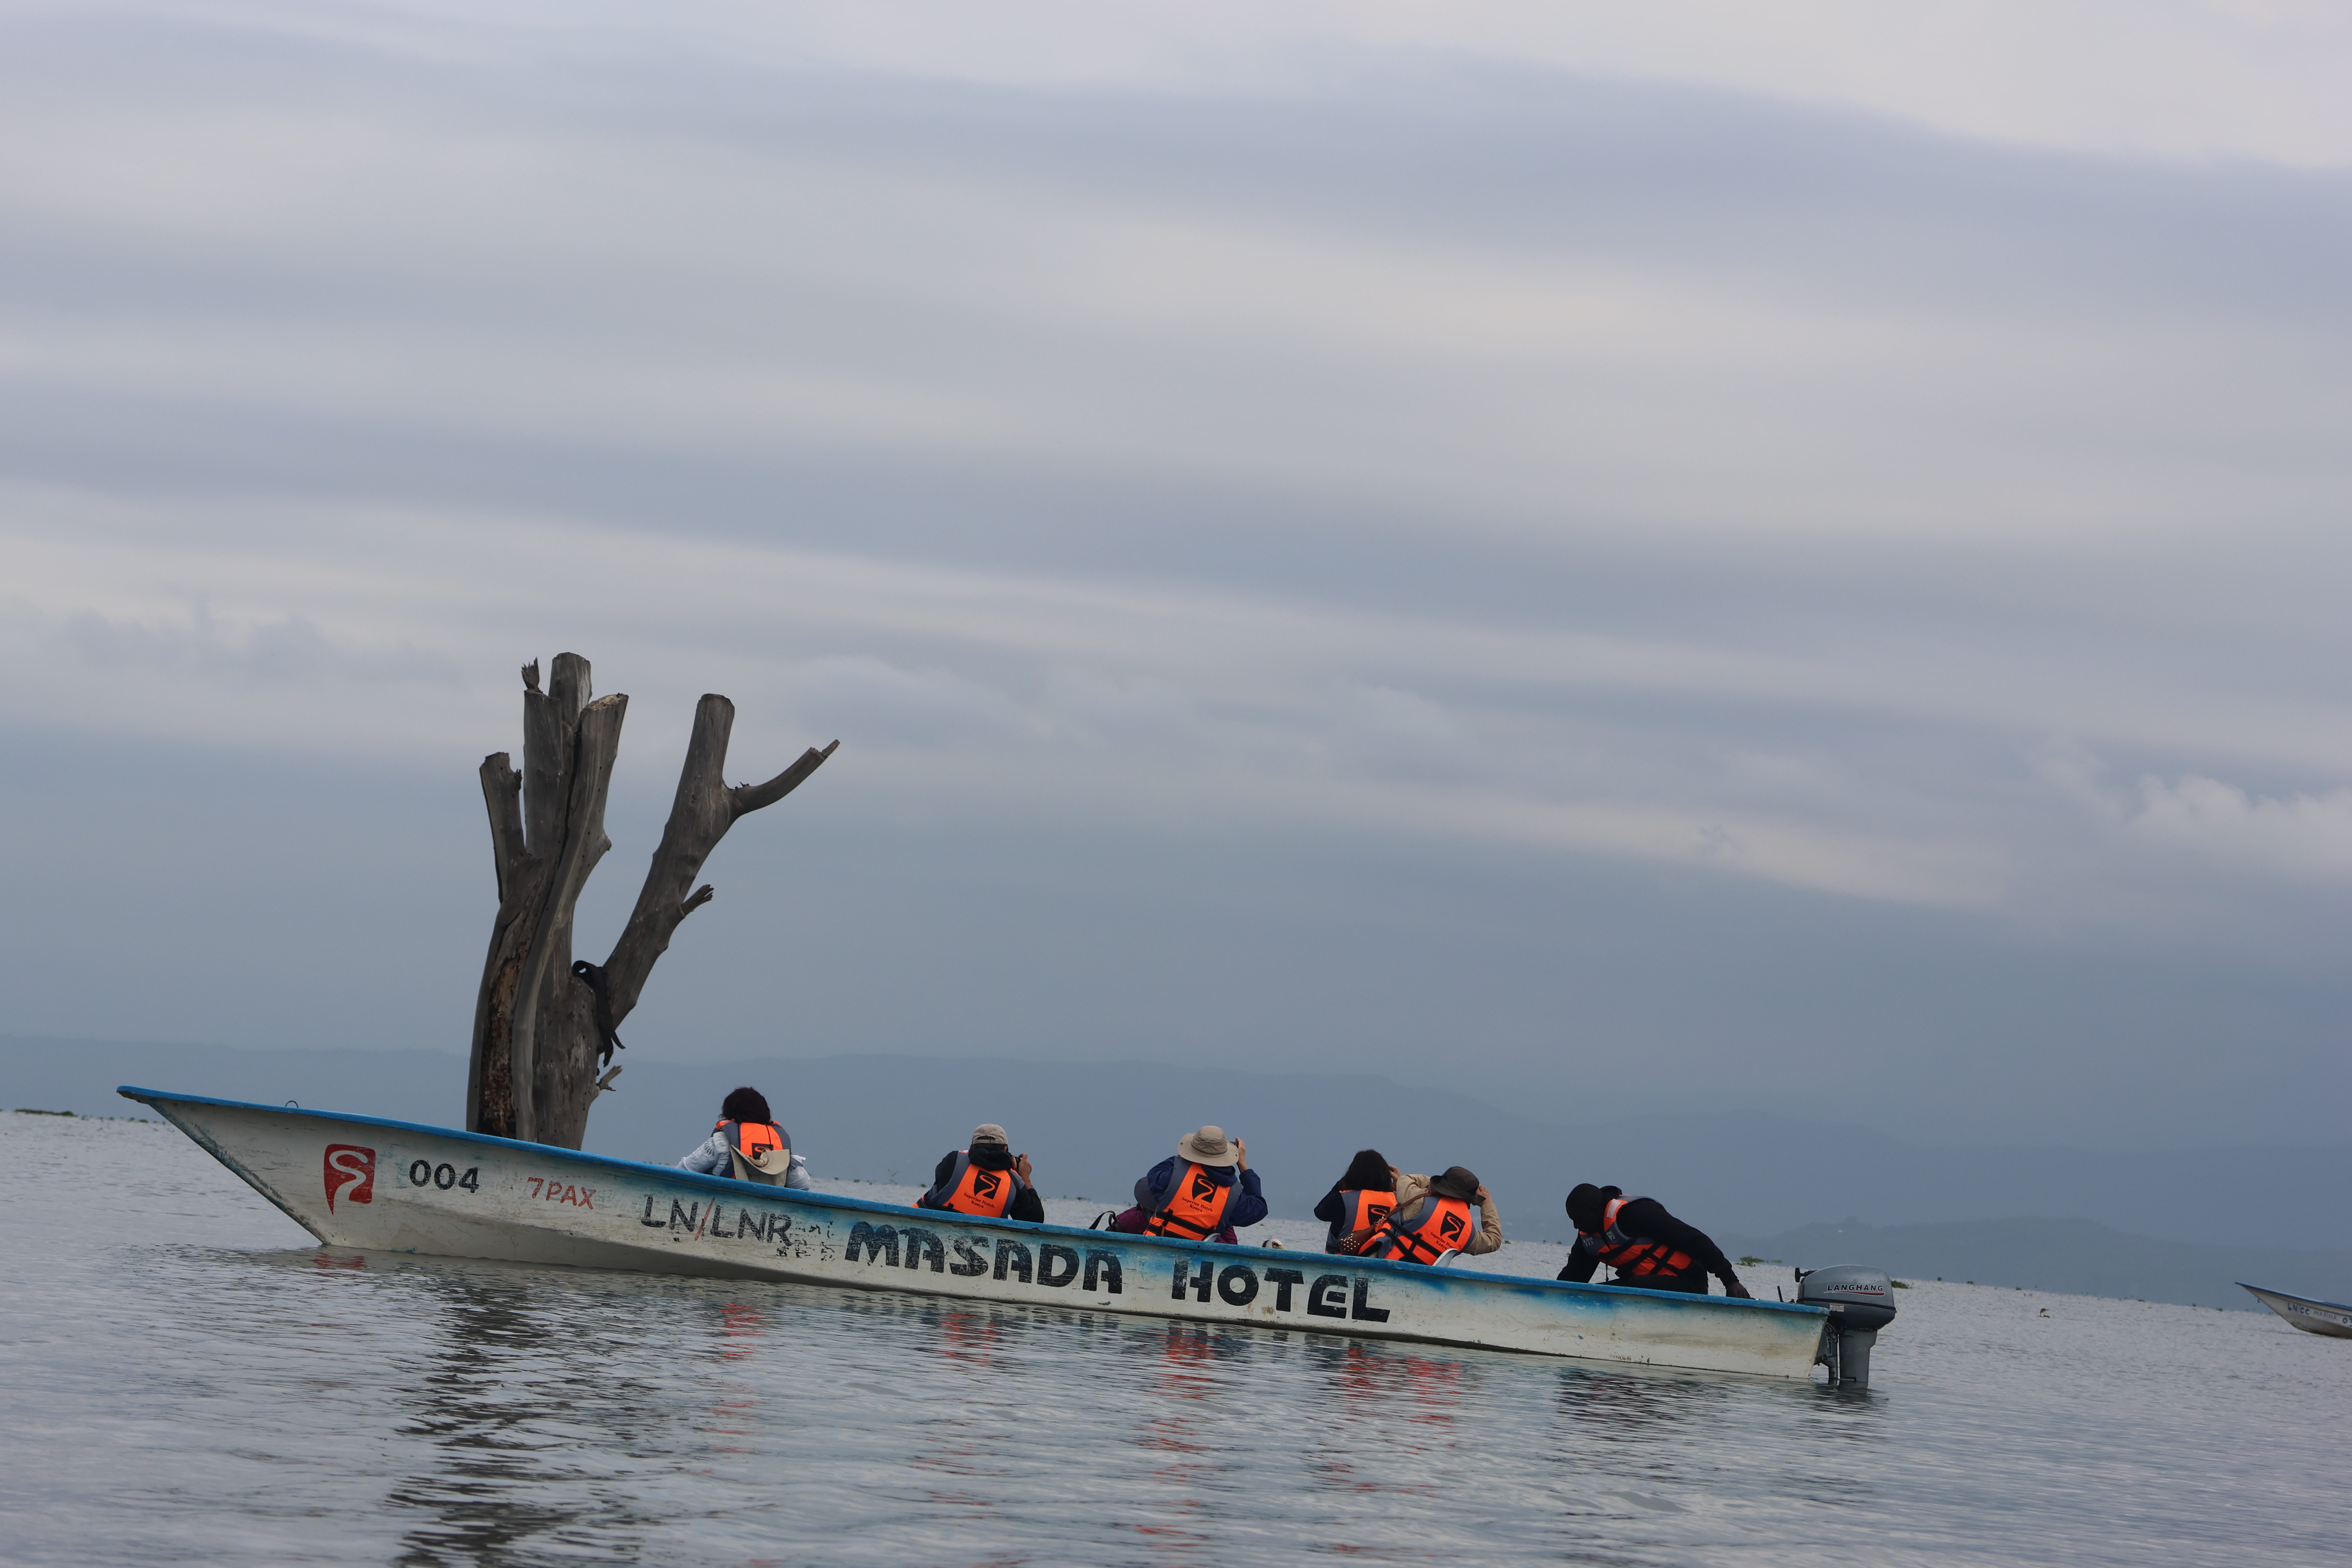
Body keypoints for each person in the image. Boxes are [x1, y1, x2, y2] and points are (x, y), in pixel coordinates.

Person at [1557, 1184, 1749, 1296]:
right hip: (1642, 1286)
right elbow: (1573, 1279)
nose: (1576, 1226)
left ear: (1594, 1210)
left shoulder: (1637, 1214)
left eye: (1579, 1220)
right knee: (1594, 1294)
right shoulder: (1588, 1237)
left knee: (1633, 1285)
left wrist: (1730, 1281)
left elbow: (1695, 1240)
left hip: (1688, 1283)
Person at [1121, 1125, 1267, 1242]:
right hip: (1198, 1259)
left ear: (1192, 1150)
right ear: (1227, 1154)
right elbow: (1259, 1208)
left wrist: (1185, 1161)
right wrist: (1243, 1164)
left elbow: (1154, 1174)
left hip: (1156, 1247)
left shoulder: (1170, 1177)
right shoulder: (1233, 1198)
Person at [1352, 1166, 1502, 1263]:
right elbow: (1494, 1240)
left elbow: (1406, 1180)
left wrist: (1435, 1184)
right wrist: (1487, 1205)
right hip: (1421, 1281)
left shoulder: (1419, 1200)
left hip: (1382, 1265)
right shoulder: (1468, 1233)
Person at [678, 1086, 810, 1188]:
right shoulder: (780, 1145)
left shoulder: (722, 1141)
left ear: (730, 1114)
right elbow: (803, 1185)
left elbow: (684, 1170)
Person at [916, 1123, 1045, 1222]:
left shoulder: (954, 1159)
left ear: (972, 1147)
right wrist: (1025, 1178)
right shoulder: (1016, 1183)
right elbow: (1035, 1221)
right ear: (1006, 1149)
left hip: (926, 1224)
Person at [1313, 1149, 1399, 1254]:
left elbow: (1320, 1213)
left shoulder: (1342, 1199)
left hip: (1343, 1262)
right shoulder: (1399, 1202)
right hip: (1383, 1261)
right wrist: (1401, 1185)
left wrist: (1345, 1181)